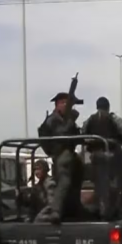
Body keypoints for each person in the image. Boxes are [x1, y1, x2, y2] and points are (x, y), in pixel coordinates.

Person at [35, 92, 83, 224]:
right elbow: (60, 134)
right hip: (60, 154)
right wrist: (71, 121)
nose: (68, 106)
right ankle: (56, 211)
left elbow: (74, 136)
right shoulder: (53, 120)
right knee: (64, 181)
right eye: (64, 103)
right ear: (58, 105)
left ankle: (74, 207)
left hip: (68, 154)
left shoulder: (64, 119)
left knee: (78, 171)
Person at [81, 97, 122, 219]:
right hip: (113, 156)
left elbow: (82, 135)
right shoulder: (114, 118)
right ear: (108, 107)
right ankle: (117, 209)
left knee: (100, 185)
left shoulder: (90, 120)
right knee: (120, 183)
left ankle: (102, 209)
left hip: (96, 157)